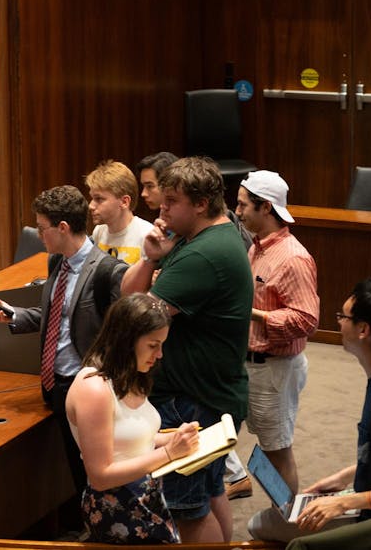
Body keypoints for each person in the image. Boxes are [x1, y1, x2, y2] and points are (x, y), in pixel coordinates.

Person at [120, 156, 253, 543]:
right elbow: (132, 293)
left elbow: (133, 315)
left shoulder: (202, 255)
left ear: (200, 203)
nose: (160, 211)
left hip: (192, 400)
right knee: (209, 495)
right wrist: (150, 256)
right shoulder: (200, 239)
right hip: (205, 392)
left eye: (170, 202)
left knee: (186, 511)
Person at [0, 185, 127, 533]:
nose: (38, 234)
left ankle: (106, 533)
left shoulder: (108, 271)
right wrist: (15, 316)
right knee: (74, 469)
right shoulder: (56, 262)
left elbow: (123, 336)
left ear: (63, 228)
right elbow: (56, 316)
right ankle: (89, 528)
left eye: (42, 227)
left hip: (88, 388)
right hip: (56, 385)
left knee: (97, 470)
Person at [249, 278, 371, 544]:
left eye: (342, 317)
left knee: (259, 525)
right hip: (363, 497)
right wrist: (342, 478)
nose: (338, 322)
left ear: (363, 329)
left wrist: (343, 504)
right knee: (287, 514)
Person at [65, 293, 199, 544]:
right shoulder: (93, 388)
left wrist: (176, 439)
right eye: (152, 345)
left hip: (145, 492)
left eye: (161, 345)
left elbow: (129, 436)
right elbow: (100, 475)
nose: (159, 354)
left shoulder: (130, 375)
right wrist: (169, 453)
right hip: (116, 505)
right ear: (127, 340)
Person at [226, 170, 319, 497]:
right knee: (262, 446)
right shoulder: (256, 247)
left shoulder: (293, 258)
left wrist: (249, 313)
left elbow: (306, 319)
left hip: (274, 369)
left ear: (266, 207)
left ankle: (285, 525)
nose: (236, 211)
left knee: (277, 451)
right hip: (252, 364)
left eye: (242, 205)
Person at [86, 159, 153, 264]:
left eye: (99, 199)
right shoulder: (99, 231)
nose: (91, 206)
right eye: (92, 198)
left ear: (124, 202)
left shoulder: (147, 235)